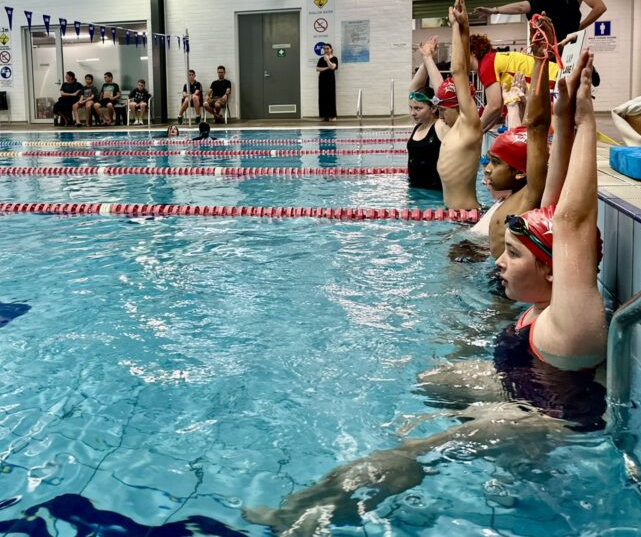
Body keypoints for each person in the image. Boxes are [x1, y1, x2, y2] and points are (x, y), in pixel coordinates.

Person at [244, 54, 606, 535]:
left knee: (401, 453)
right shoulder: (545, 302)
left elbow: (574, 220)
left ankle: (299, 521)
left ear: (553, 269)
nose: (500, 262)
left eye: (514, 256)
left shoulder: (568, 321)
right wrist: (561, 115)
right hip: (522, 390)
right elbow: (556, 200)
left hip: (538, 422)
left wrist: (585, 120)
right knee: (432, 379)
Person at [481, 17, 552, 260]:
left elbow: (537, 127)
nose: (487, 169)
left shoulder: (530, 194)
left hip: (507, 294)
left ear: (520, 172)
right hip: (499, 277)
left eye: (495, 163)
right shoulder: (511, 196)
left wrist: (540, 61)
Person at [436, 0, 482, 211]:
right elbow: (463, 66)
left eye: (443, 110)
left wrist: (454, 25)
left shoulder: (470, 124)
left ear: (457, 105)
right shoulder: (457, 128)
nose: (441, 115)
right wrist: (464, 26)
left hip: (466, 217)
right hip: (453, 216)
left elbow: (458, 71)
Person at [468, 33, 560, 133]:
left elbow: (494, 106)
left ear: (473, 52)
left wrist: (473, 132)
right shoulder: (491, 59)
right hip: (555, 77)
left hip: (552, 83)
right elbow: (497, 111)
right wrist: (481, 131)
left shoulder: (486, 65)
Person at [405, 36, 447, 191]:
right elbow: (413, 89)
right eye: (411, 108)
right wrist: (425, 59)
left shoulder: (441, 126)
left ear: (434, 108)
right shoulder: (418, 127)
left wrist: (429, 59)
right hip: (415, 194)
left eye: (418, 109)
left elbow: (441, 95)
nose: (413, 113)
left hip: (435, 197)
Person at [316, 44, 338, 121]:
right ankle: (324, 116)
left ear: (331, 49)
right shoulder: (321, 59)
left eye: (327, 48)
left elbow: (333, 67)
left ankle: (332, 116)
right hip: (322, 81)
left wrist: (327, 60)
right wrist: (327, 67)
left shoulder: (335, 58)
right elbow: (318, 69)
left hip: (330, 81)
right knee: (322, 98)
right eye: (325, 49)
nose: (326, 50)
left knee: (331, 98)